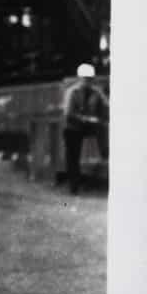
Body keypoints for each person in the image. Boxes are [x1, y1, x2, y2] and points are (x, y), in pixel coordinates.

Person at [61, 63, 109, 195]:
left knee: (103, 126)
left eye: (90, 78)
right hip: (73, 126)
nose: (88, 81)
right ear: (80, 78)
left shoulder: (96, 92)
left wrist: (103, 116)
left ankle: (105, 151)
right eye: (85, 78)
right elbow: (69, 113)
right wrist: (87, 119)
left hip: (89, 126)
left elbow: (106, 106)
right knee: (72, 155)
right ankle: (73, 185)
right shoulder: (72, 92)